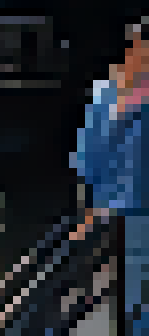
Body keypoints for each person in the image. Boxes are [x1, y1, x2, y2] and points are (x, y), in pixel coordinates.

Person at [75, 19, 149, 336]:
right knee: (129, 296)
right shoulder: (107, 93)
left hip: (126, 207)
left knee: (132, 296)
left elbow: (88, 159)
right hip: (121, 210)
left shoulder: (109, 93)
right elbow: (89, 157)